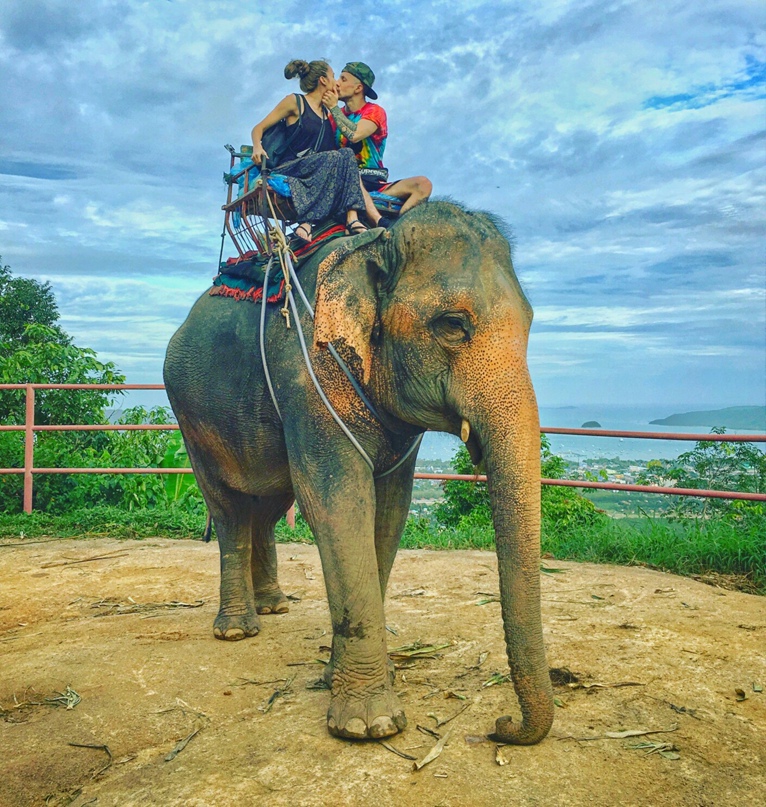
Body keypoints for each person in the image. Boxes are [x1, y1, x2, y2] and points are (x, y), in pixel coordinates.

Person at [250, 59, 369, 242]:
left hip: (317, 169)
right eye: (332, 76)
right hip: (290, 167)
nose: (336, 81)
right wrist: (257, 147)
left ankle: (352, 218)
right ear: (323, 80)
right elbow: (258, 128)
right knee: (332, 157)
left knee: (345, 154)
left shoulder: (328, 113)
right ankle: (307, 222)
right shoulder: (295, 102)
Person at [322, 62, 432, 224]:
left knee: (423, 184)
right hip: (347, 180)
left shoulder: (374, 112)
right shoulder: (332, 118)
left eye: (343, 79)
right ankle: (377, 220)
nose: (337, 83)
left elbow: (355, 135)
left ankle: (399, 226)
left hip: (375, 181)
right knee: (350, 170)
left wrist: (333, 108)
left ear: (358, 88)